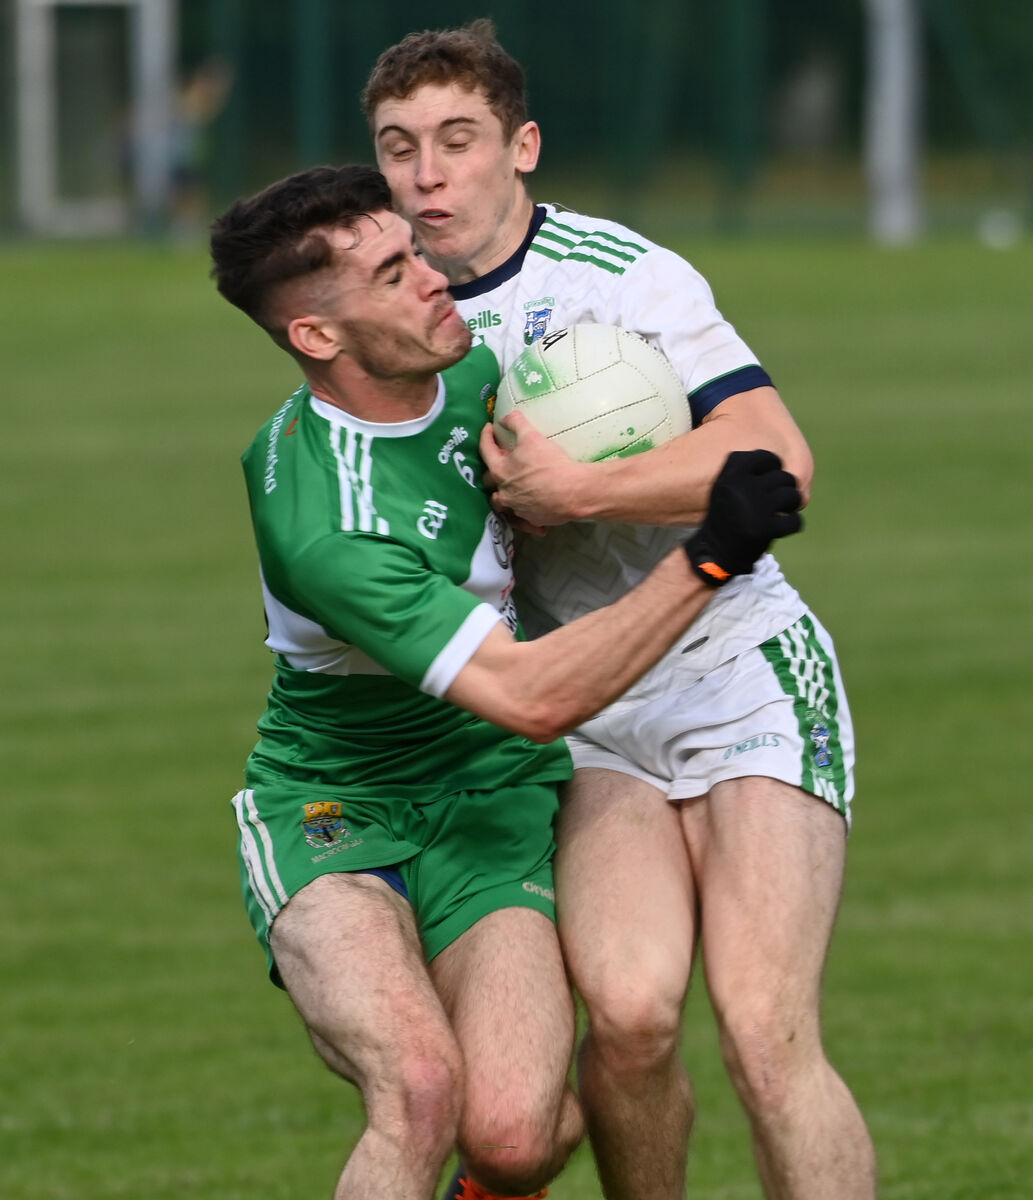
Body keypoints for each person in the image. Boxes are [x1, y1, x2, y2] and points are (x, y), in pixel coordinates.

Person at [209, 163, 802, 1200]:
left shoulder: (492, 374)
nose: (434, 278)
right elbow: (534, 696)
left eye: (413, 249)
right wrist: (709, 553)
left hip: (488, 797)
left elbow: (689, 445)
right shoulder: (325, 523)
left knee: (519, 1139)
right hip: (335, 808)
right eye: (392, 275)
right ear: (316, 336)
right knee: (424, 1092)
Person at [363, 21, 876, 1200]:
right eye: (399, 148)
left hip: (739, 669)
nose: (428, 174)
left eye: (457, 139)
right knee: (634, 1019)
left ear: (521, 146)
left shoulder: (623, 272)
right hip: (582, 704)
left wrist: (578, 489)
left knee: (762, 1030)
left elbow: (774, 459)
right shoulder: (397, 328)